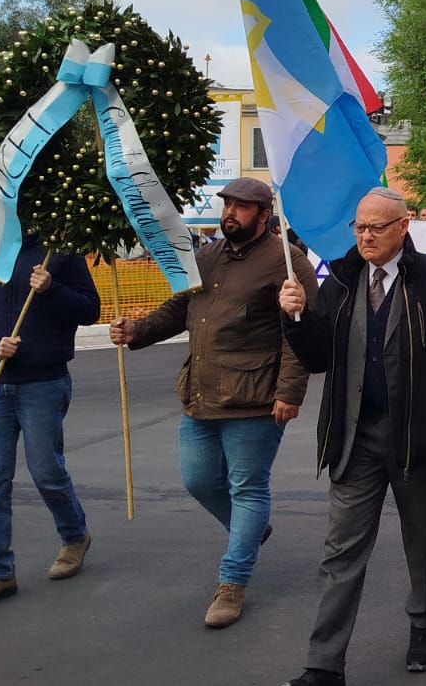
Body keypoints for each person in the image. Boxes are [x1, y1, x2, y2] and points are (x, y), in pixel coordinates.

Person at [276, 187, 426, 686]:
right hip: (355, 440)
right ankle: (323, 670)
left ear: (403, 227)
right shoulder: (342, 281)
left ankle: (424, 624)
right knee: (340, 553)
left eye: (376, 227)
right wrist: (297, 318)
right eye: (359, 227)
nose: (365, 236)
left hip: (418, 442)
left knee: (422, 542)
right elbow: (321, 357)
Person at [108, 177, 316, 629]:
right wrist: (136, 330)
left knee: (247, 488)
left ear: (264, 215)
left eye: (242, 208)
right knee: (198, 480)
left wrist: (289, 392)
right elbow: (178, 309)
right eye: (228, 205)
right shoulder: (206, 256)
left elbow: (301, 336)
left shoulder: (288, 262)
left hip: (256, 399)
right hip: (200, 392)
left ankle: (232, 582)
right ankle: (252, 530)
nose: (230, 214)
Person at [0, 235, 101, 610]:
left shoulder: (61, 250)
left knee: (46, 470)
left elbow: (89, 309)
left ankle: (74, 535)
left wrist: (52, 289)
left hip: (43, 381)